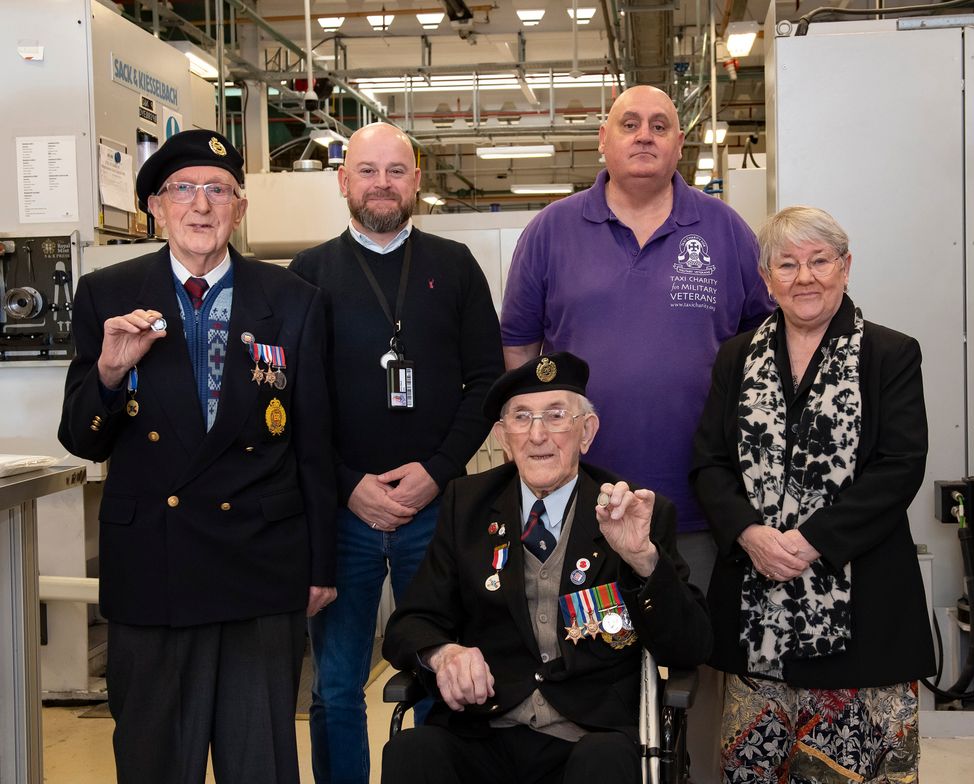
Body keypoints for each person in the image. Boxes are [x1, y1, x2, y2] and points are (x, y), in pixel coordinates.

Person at [499, 84, 771, 783]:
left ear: (681, 144)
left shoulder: (725, 231)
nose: (644, 136)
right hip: (579, 514)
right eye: (629, 124)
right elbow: (519, 356)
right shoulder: (551, 232)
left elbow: (763, 352)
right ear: (603, 139)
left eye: (660, 125)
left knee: (699, 664)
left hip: (699, 504)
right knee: (592, 664)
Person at [58, 129, 336, 784]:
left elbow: (316, 444)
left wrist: (320, 563)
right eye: (184, 189)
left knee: (259, 765)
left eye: (219, 190)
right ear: (156, 206)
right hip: (155, 567)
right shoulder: (107, 295)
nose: (202, 206)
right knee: (156, 763)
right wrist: (106, 374)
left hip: (259, 568)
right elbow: (81, 437)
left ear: (240, 209)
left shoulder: (293, 301)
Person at [381, 352, 712, 784]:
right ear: (503, 436)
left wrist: (643, 560)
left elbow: (690, 648)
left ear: (586, 432)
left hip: (589, 736)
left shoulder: (632, 512)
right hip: (486, 727)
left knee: (606, 763)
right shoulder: (467, 505)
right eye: (522, 418)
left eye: (556, 416)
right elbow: (411, 623)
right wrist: (444, 654)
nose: (538, 435)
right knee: (413, 750)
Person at [289, 121, 504, 784]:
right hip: (342, 516)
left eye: (396, 170)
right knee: (336, 688)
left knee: (443, 676)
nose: (382, 183)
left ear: (417, 181)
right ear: (343, 181)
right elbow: (296, 400)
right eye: (367, 170)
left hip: (436, 515)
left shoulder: (456, 267)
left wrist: (437, 473)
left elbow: (487, 382)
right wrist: (350, 483)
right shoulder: (308, 274)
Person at [691, 206, 935, 782]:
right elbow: (708, 462)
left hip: (865, 616)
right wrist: (750, 534)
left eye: (820, 261)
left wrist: (810, 542)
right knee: (756, 771)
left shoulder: (890, 354)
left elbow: (899, 467)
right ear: (767, 278)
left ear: (845, 268)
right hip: (759, 625)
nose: (806, 277)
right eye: (789, 263)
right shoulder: (736, 355)